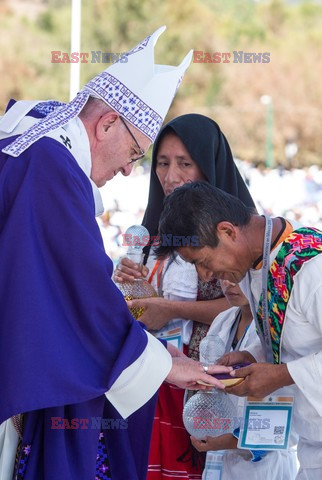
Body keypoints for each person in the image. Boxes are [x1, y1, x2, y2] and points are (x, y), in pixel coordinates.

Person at [0, 28, 233, 480]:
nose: (130, 169)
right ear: (106, 123)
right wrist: (166, 365)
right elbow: (81, 294)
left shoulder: (30, 137)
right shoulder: (52, 167)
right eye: (134, 152)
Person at [113, 114, 256, 479]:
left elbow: (246, 303)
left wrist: (167, 308)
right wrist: (140, 295)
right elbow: (151, 314)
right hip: (156, 383)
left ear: (209, 168)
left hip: (210, 388)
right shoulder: (150, 234)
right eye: (162, 163)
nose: (171, 176)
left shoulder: (240, 232)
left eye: (184, 163)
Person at [156, 181, 322, 480]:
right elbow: (291, 333)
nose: (205, 275)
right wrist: (252, 355)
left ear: (228, 232)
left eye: (203, 262)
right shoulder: (258, 264)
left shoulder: (311, 267)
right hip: (312, 447)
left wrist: (281, 375)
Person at [191, 280, 298, 480]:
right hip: (220, 457)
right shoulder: (223, 321)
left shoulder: (278, 326)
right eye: (222, 275)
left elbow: (286, 417)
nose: (228, 283)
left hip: (266, 464)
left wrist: (232, 441)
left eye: (236, 275)